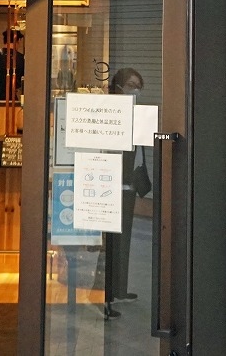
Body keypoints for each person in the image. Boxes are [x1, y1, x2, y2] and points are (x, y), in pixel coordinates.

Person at [104, 67, 145, 318]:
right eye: (131, 85)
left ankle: (120, 288)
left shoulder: (135, 113)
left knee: (124, 239)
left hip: (128, 185)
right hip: (110, 185)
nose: (135, 90)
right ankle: (107, 294)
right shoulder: (110, 112)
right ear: (118, 87)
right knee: (110, 242)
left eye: (138, 86)